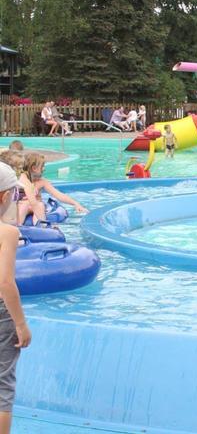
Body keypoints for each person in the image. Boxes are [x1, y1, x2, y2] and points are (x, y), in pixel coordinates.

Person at [0, 162, 32, 433]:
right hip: (1, 315)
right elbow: (5, 282)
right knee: (2, 385)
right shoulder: (7, 233)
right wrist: (21, 324)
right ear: (4, 196)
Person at [16, 153, 87, 225]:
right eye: (42, 166)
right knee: (25, 205)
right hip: (24, 206)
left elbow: (59, 195)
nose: (44, 169)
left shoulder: (42, 181)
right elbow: (27, 189)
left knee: (40, 205)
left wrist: (75, 203)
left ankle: (40, 226)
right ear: (34, 168)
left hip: (38, 206)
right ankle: (18, 226)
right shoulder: (22, 178)